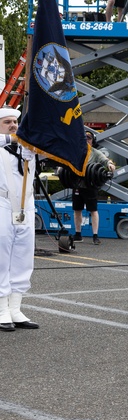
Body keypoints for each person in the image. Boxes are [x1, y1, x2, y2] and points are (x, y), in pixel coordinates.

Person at [0, 107, 41, 331]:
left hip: (25, 205)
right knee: (2, 257)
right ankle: (1, 309)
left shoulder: (28, 148)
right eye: (7, 122)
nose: (14, 126)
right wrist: (14, 138)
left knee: (23, 257)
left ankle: (15, 307)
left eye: (15, 122)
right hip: (3, 204)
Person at [72, 129, 115, 245]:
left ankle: (95, 236)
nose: (86, 140)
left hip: (90, 186)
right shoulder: (76, 152)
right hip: (77, 185)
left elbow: (105, 160)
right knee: (77, 210)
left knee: (93, 210)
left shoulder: (95, 153)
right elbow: (66, 163)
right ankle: (78, 234)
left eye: (89, 138)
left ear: (92, 140)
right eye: (84, 137)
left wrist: (110, 165)